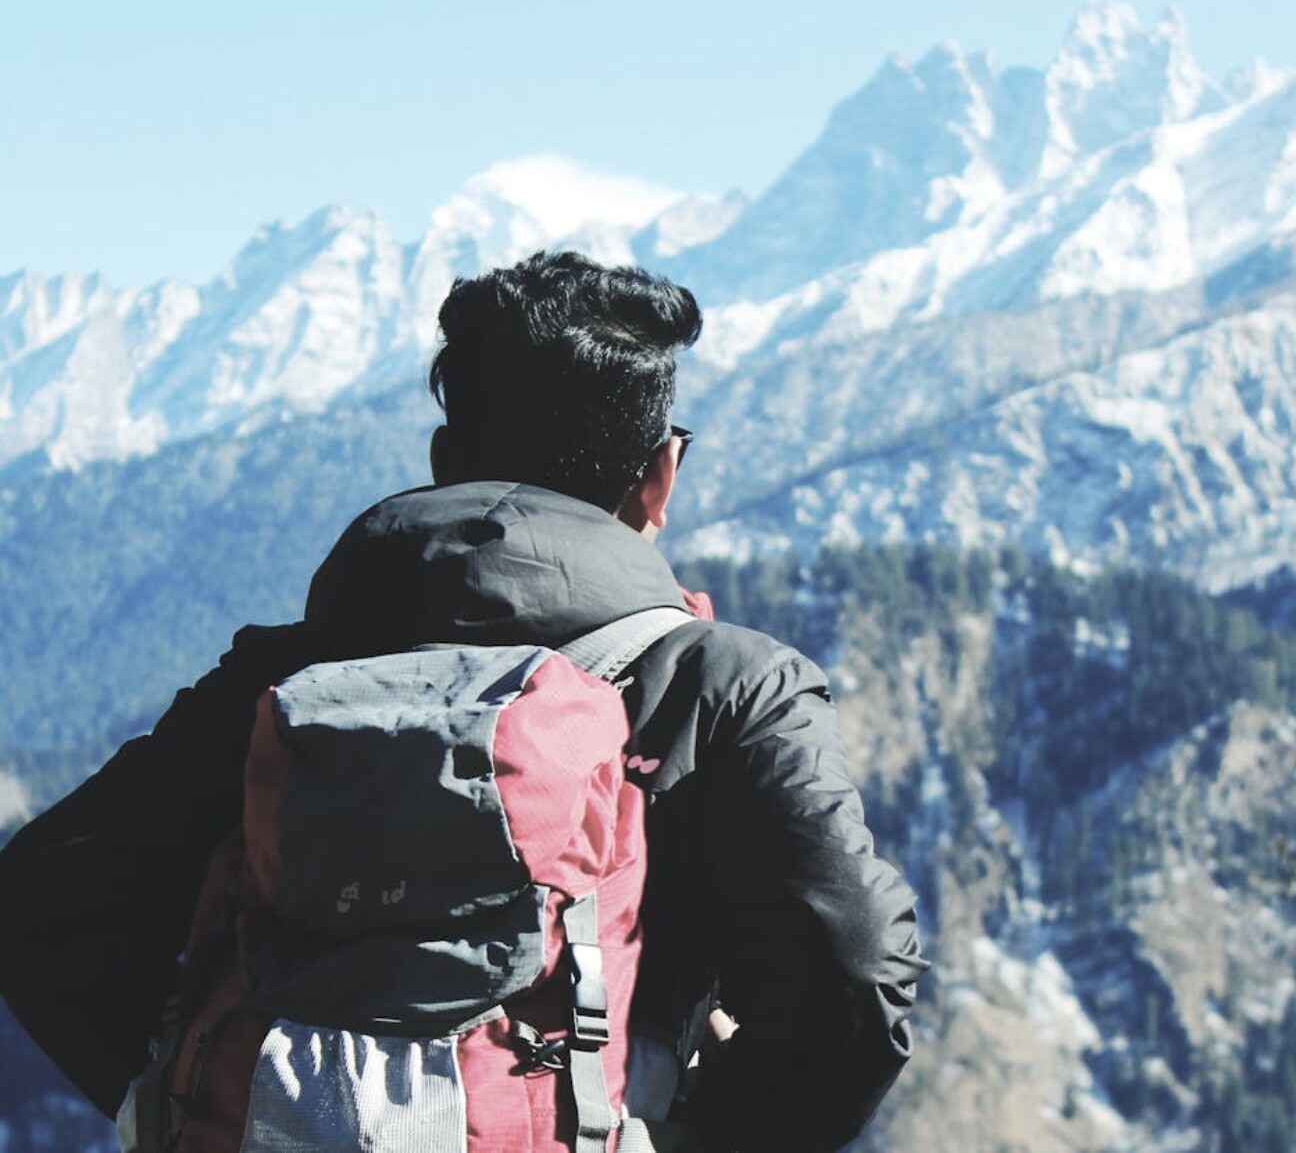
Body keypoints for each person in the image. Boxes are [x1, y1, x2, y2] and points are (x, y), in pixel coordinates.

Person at [0, 250, 926, 1152]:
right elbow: (856, 977)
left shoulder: (280, 684)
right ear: (660, 477)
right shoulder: (724, 689)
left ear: (445, 461)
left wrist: (181, 1096)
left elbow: (38, 903)